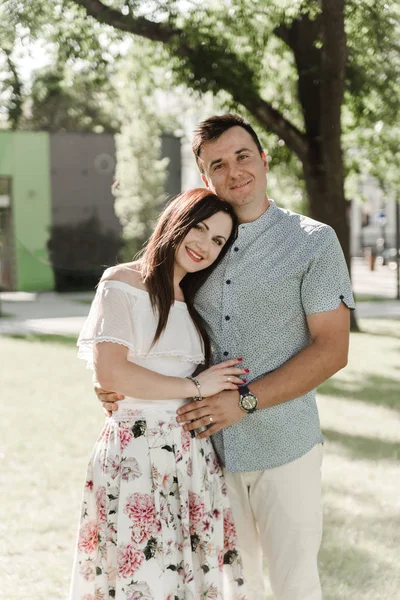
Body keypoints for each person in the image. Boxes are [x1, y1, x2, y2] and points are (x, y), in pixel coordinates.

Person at [97, 114, 355, 600]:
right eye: (218, 163)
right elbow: (145, 319)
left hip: (287, 447)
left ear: (263, 158)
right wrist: (114, 380)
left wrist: (245, 401)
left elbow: (332, 349)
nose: (234, 171)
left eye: (242, 156)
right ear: (205, 178)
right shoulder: (199, 246)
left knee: (296, 587)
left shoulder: (313, 241)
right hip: (205, 454)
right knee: (232, 589)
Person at [69, 188, 249, 600]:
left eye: (218, 240)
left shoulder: (195, 299)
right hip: (135, 452)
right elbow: (111, 369)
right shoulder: (121, 282)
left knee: (185, 578)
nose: (205, 245)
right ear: (175, 222)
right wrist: (195, 387)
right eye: (199, 228)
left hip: (191, 458)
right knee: (142, 578)